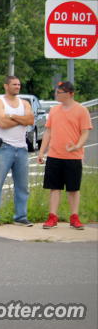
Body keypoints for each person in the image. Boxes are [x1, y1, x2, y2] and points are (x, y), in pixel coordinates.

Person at [37, 81, 92, 230]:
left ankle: (74, 217)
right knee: (54, 188)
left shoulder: (81, 110)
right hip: (54, 155)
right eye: (56, 92)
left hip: (73, 157)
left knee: (73, 189)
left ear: (70, 94)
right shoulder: (54, 110)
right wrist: (42, 151)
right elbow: (48, 131)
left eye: (59, 92)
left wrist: (77, 146)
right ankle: (52, 217)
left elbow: (85, 132)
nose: (56, 95)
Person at [0, 76, 35, 227]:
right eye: (14, 84)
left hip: (21, 149)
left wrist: (12, 116)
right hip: (3, 148)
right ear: (6, 86)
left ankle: (20, 216)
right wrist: (21, 119)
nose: (17, 86)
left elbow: (30, 120)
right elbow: (2, 123)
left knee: (22, 186)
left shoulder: (25, 103)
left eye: (19, 84)